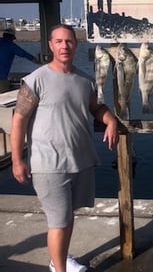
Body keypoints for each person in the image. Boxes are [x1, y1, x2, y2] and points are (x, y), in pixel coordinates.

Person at [11, 24, 119, 272]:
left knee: (68, 216)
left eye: (69, 41)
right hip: (49, 164)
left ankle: (58, 259)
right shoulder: (36, 80)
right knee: (58, 221)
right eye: (58, 41)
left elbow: (96, 109)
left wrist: (110, 120)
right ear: (50, 45)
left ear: (76, 44)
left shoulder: (86, 80)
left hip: (79, 160)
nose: (64, 46)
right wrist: (18, 160)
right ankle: (58, 269)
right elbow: (19, 119)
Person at [0, 28, 39, 93]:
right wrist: (37, 61)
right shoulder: (11, 45)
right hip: (1, 79)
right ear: (12, 37)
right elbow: (24, 54)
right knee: (4, 99)